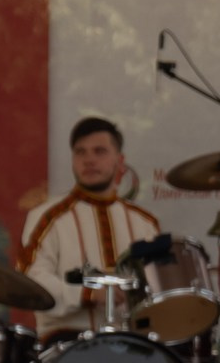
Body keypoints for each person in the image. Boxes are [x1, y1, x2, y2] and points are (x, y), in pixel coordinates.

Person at [17, 116, 164, 339]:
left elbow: (160, 289)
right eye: (80, 152)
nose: (89, 160)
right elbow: (32, 282)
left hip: (134, 344)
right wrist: (86, 295)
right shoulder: (47, 217)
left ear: (120, 160)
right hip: (65, 344)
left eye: (99, 151)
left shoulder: (145, 223)